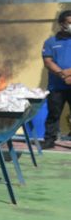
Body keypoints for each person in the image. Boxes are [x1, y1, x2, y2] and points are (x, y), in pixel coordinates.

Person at [41, 10, 71, 149]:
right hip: (56, 87)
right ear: (61, 24)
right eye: (69, 22)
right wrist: (62, 74)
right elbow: (48, 61)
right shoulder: (51, 42)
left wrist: (69, 74)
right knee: (53, 114)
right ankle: (49, 140)